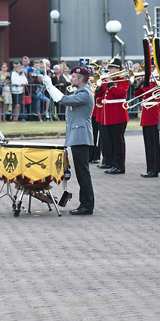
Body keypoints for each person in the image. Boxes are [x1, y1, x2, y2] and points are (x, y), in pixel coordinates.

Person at [42, 65, 95, 215]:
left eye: (73, 77)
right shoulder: (81, 92)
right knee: (81, 172)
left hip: (81, 137)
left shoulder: (85, 93)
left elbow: (62, 99)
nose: (71, 79)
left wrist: (50, 86)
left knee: (82, 173)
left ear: (81, 79)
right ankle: (86, 203)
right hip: (78, 137)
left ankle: (87, 205)